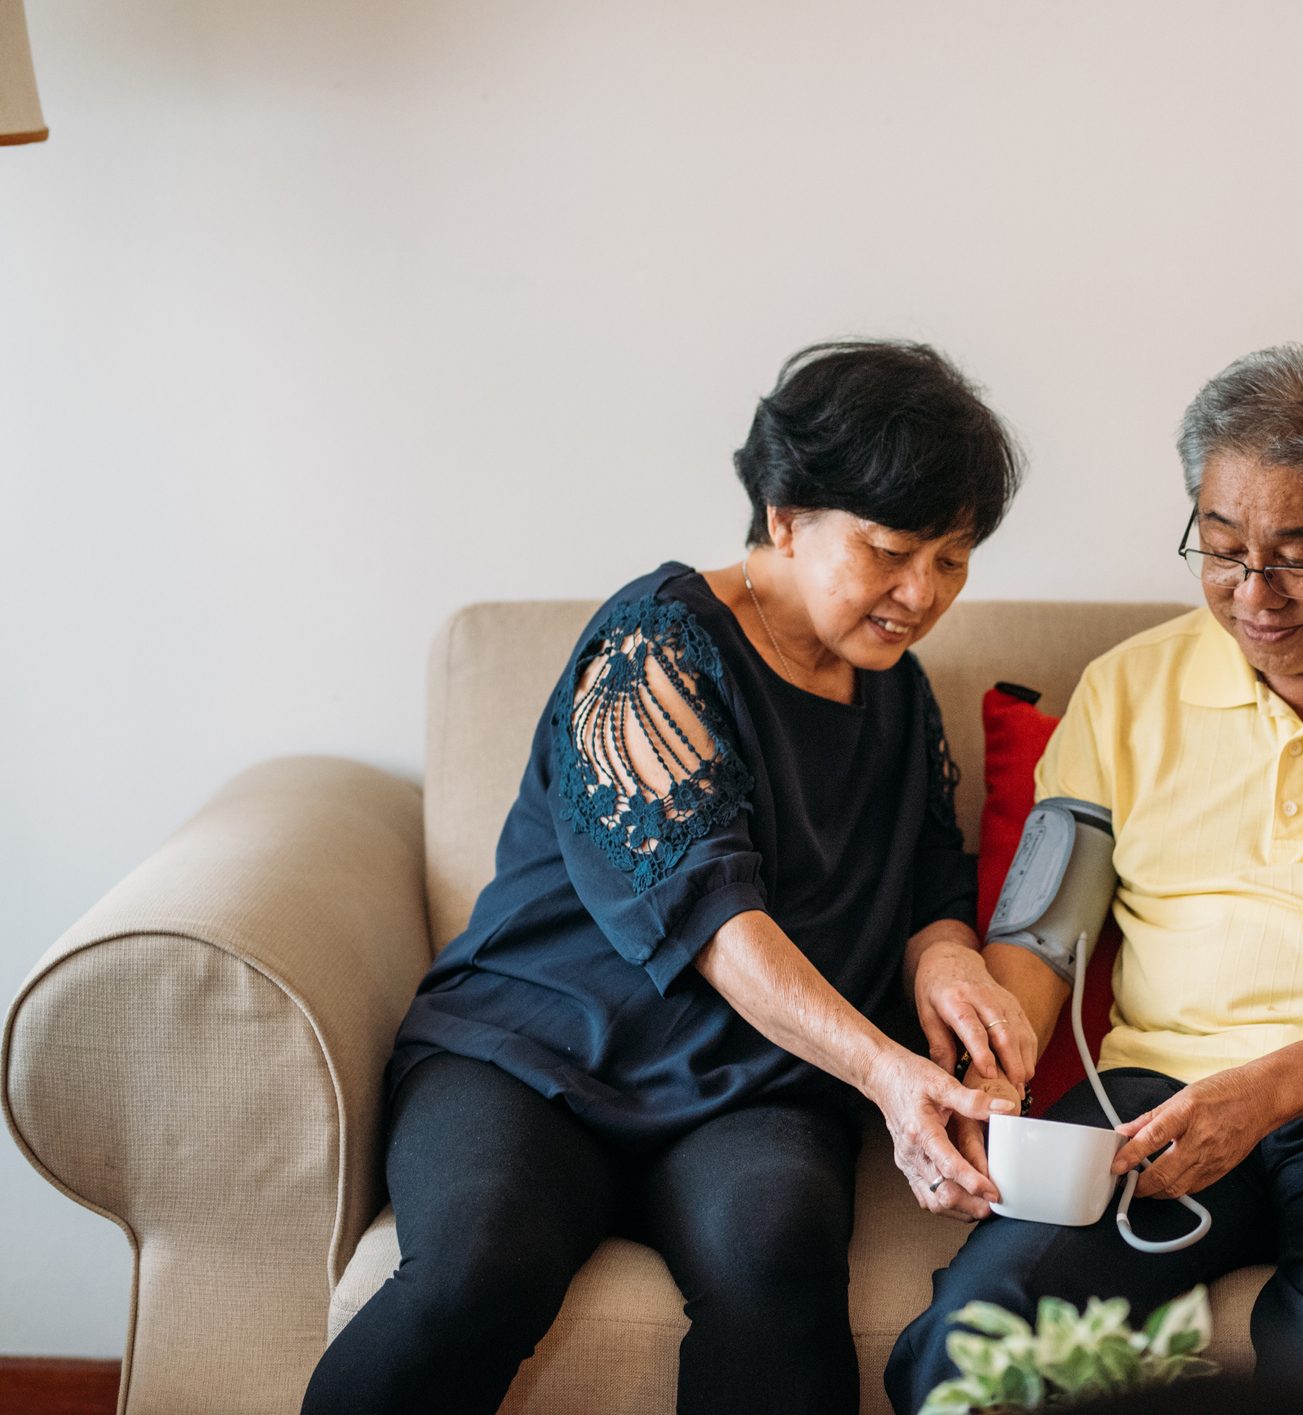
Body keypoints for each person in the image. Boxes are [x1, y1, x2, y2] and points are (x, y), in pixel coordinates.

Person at [304, 340, 1037, 1415]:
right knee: (480, 1266)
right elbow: (712, 915)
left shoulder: (900, 690)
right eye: (890, 550)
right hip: (535, 1054)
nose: (921, 592)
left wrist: (947, 962)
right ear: (785, 515)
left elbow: (933, 875)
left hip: (753, 1086)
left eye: (952, 559)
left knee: (778, 1254)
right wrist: (886, 1071)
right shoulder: (654, 645)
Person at [887, 344, 1303, 1415]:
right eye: (1220, 547)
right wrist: (986, 1091)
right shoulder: (1124, 689)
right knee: (975, 1353)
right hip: (1155, 1103)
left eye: (1299, 556)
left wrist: (1264, 1093)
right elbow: (1042, 937)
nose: (1253, 595)